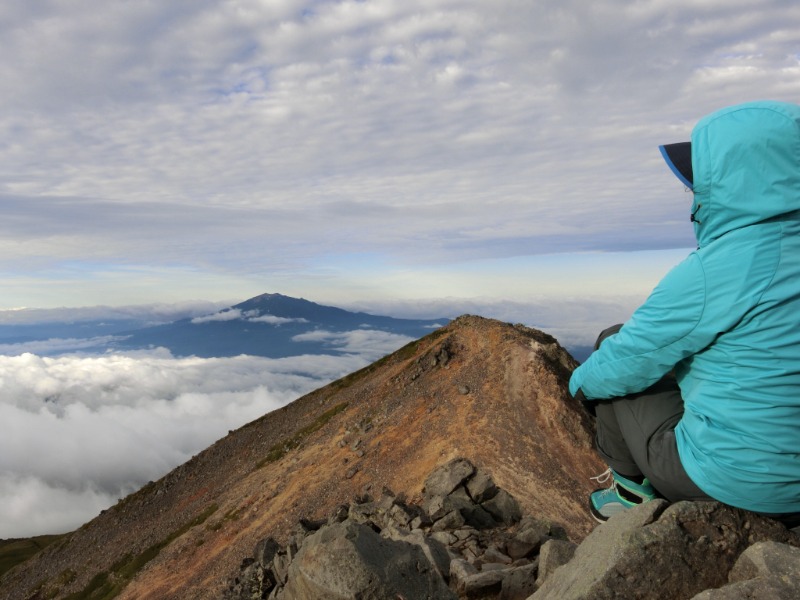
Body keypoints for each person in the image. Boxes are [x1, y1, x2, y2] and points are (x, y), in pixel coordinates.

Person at [569, 100, 800, 525]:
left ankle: (631, 494)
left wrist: (578, 386)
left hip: (736, 485)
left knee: (611, 345)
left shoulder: (718, 269)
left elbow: (627, 361)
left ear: (733, 183)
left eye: (702, 179)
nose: (693, 191)